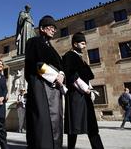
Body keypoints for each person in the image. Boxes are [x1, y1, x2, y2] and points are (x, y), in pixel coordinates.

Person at [25, 15, 65, 149]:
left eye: (55, 28)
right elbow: (35, 64)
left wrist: (61, 74)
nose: (54, 30)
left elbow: (60, 66)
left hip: (54, 88)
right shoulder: (33, 42)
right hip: (40, 85)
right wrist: (55, 76)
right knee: (42, 121)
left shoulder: (52, 49)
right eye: (51, 27)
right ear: (42, 28)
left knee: (56, 121)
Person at [62, 32, 104, 149]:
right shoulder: (69, 56)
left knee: (92, 127)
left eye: (85, 43)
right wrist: (86, 89)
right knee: (73, 128)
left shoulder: (82, 59)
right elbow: (72, 75)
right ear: (75, 44)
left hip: (85, 96)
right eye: (82, 43)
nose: (85, 46)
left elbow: (86, 77)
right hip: (75, 96)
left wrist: (90, 89)